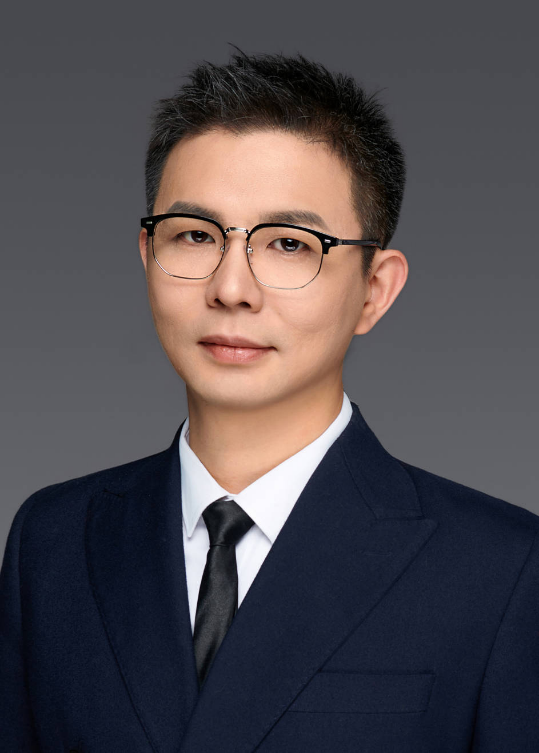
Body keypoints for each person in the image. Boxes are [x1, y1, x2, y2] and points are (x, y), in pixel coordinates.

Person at [1, 50, 538, 753]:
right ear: (147, 253)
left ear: (374, 289)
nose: (231, 288)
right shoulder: (53, 540)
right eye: (194, 236)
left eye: (289, 244)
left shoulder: (501, 569)